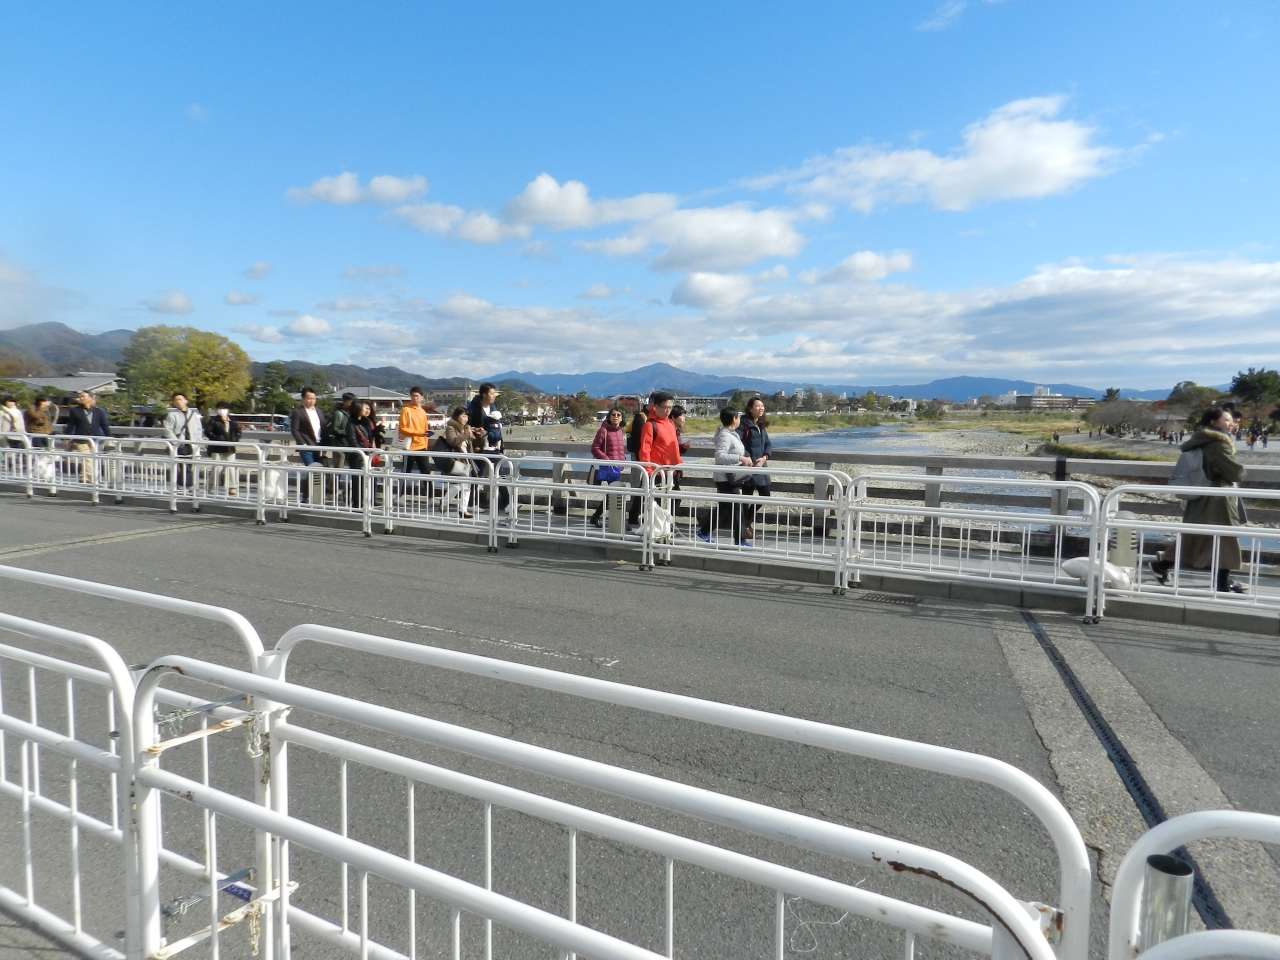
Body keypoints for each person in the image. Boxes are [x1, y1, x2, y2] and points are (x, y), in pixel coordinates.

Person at [1151, 406, 1246, 594]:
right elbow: (1235, 473)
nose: (1232, 423)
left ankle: (1162, 566)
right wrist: (1241, 470)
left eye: (1232, 420)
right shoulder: (1218, 445)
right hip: (1217, 501)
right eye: (1227, 420)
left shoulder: (1200, 441)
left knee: (1194, 537)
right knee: (1225, 539)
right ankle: (1221, 584)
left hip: (1200, 498)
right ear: (1214, 422)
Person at [697, 407, 754, 544]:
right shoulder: (725, 436)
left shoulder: (731, 434)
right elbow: (720, 456)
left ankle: (704, 531)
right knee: (737, 507)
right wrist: (740, 458)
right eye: (738, 417)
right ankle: (740, 540)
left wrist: (744, 458)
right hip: (725, 478)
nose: (740, 420)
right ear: (734, 419)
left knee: (724, 507)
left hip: (729, 477)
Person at [634, 391, 682, 529]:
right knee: (656, 503)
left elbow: (675, 447)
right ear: (656, 407)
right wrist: (649, 471)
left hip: (670, 471)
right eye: (665, 407)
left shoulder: (670, 423)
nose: (668, 411)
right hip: (656, 471)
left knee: (675, 498)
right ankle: (657, 529)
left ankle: (665, 526)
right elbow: (645, 450)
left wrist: (678, 464)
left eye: (670, 408)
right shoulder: (650, 425)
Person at [467, 383, 510, 515]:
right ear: (484, 394)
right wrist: (474, 440)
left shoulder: (494, 407)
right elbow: (466, 426)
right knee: (476, 475)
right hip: (479, 446)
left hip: (493, 447)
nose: (494, 396)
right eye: (491, 393)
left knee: (500, 473)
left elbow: (496, 427)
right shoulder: (473, 408)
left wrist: (500, 444)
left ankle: (507, 502)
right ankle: (471, 503)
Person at [738, 396, 772, 540]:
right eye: (757, 406)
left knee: (765, 494)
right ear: (750, 409)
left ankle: (746, 523)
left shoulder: (760, 425)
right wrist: (748, 458)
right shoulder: (744, 424)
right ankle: (745, 527)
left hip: (761, 466)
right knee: (747, 497)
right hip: (749, 466)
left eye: (762, 406)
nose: (761, 408)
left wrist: (764, 457)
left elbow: (768, 444)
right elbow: (738, 444)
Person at [589, 406, 627, 527]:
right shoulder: (603, 430)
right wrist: (607, 460)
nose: (616, 417)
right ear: (609, 417)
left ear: (622, 418)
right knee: (615, 493)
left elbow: (619, 449)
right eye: (613, 414)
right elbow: (594, 448)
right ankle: (619, 522)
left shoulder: (620, 431)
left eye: (618, 415)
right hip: (609, 467)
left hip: (618, 467)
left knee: (612, 494)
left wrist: (623, 461)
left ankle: (596, 517)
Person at [437, 406, 475, 517]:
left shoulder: (466, 428)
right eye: (463, 416)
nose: (465, 419)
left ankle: (463, 509)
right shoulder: (451, 428)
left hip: (466, 460)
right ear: (457, 416)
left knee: (467, 485)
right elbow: (453, 441)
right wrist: (466, 433)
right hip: (457, 460)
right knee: (459, 485)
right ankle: (445, 502)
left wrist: (478, 435)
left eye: (466, 416)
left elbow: (470, 444)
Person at [345, 401, 384, 508]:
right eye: (364, 408)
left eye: (368, 408)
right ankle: (357, 503)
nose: (367, 410)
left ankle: (371, 500)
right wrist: (361, 455)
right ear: (358, 409)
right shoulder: (351, 423)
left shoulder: (365, 421)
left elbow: (370, 436)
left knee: (371, 477)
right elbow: (352, 441)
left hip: (367, 454)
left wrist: (379, 428)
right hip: (358, 456)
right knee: (358, 480)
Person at [290, 387, 326, 503]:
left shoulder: (318, 411)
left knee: (317, 471)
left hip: (318, 445)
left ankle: (313, 495)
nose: (312, 401)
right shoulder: (298, 412)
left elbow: (324, 427)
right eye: (309, 398)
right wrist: (302, 443)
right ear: (303, 399)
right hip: (306, 446)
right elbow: (294, 430)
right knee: (312, 469)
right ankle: (306, 496)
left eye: (314, 398)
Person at [163, 392, 203, 489]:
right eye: (176, 400)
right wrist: (176, 442)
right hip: (180, 444)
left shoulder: (193, 414)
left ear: (186, 401)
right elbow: (168, 430)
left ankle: (181, 483)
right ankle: (189, 485)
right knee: (184, 464)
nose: (178, 402)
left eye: (180, 399)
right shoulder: (172, 415)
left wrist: (198, 442)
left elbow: (198, 429)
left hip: (192, 443)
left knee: (190, 464)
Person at [205, 402, 243, 496]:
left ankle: (232, 487)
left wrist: (234, 440)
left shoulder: (232, 421)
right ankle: (211, 485)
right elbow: (208, 431)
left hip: (230, 447)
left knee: (231, 467)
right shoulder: (213, 420)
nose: (222, 410)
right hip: (217, 448)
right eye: (220, 408)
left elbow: (238, 431)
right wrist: (217, 439)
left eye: (224, 408)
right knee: (216, 467)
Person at [397, 387, 432, 477]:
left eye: (417, 396)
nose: (415, 398)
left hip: (422, 447)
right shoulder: (406, 410)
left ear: (422, 397)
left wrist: (426, 445)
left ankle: (428, 487)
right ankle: (402, 486)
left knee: (427, 473)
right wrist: (418, 433)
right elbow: (402, 428)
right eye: (413, 396)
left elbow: (425, 429)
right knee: (406, 472)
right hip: (409, 447)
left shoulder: (423, 411)